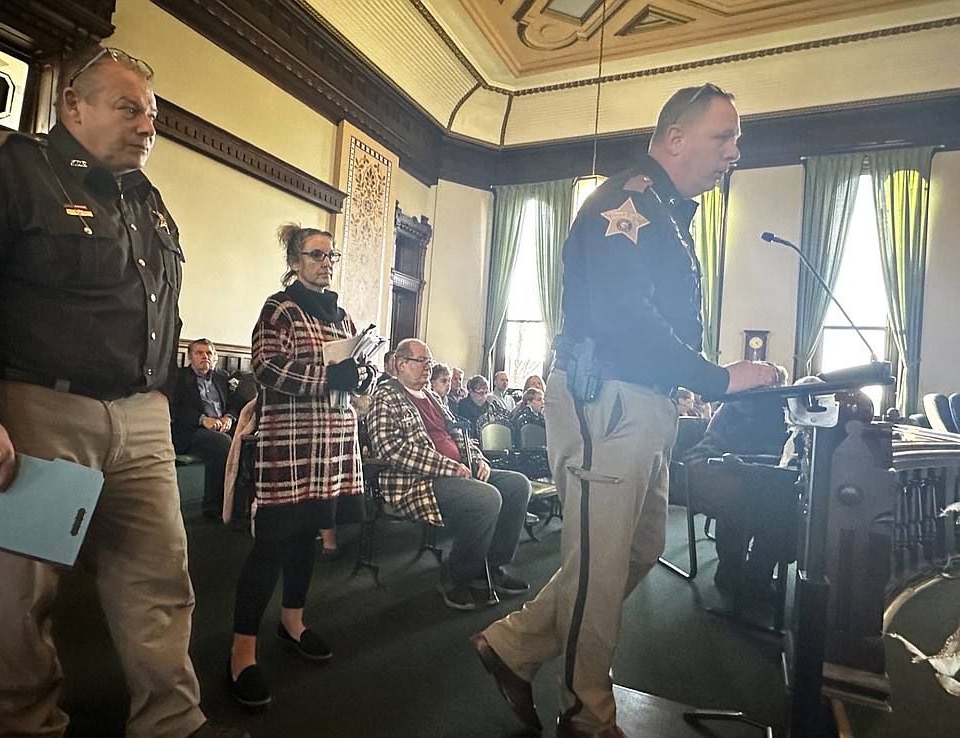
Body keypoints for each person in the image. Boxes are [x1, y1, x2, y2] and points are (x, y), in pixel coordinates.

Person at [0, 46, 244, 738]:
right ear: (73, 106)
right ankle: (26, 727)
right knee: (18, 604)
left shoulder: (147, 202)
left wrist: (161, 410)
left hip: (139, 420)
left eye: (153, 113)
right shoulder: (2, 169)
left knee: (160, 587)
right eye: (128, 107)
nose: (148, 124)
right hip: (30, 415)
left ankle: (172, 724)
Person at [471, 83, 777, 738]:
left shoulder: (665, 210)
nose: (735, 151)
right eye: (724, 136)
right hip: (604, 398)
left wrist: (693, 381)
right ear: (674, 138)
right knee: (602, 564)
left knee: (638, 549)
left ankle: (515, 645)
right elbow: (625, 319)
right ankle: (586, 714)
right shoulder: (627, 200)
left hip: (641, 402)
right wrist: (717, 377)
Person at [228, 223, 374, 711]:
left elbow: (349, 373)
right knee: (271, 543)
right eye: (316, 254)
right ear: (294, 261)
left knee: (309, 534)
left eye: (331, 255)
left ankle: (293, 622)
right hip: (289, 445)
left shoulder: (341, 313)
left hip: (331, 442)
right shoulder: (280, 308)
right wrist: (329, 374)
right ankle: (241, 652)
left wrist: (359, 372)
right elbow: (266, 369)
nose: (325, 262)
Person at [363, 339, 532, 610]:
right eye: (422, 361)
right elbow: (391, 449)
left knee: (517, 485)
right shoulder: (386, 396)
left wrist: (477, 459)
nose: (428, 368)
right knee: (486, 499)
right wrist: (448, 467)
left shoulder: (432, 397)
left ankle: (490, 565)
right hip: (417, 482)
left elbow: (458, 433)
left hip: (458, 472)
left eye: (430, 362)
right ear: (401, 363)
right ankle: (456, 576)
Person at [681, 365, 792, 594]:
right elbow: (737, 450)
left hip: (736, 466)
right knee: (749, 497)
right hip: (705, 465)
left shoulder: (769, 404)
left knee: (773, 497)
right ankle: (738, 571)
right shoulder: (748, 403)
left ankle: (752, 571)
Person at [170, 338, 235, 521]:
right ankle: (214, 507)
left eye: (209, 353)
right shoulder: (178, 377)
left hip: (222, 427)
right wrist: (202, 420)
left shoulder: (223, 378)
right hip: (190, 430)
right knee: (220, 443)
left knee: (246, 439)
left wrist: (228, 418)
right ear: (190, 357)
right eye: (199, 353)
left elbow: (235, 403)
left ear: (215, 357)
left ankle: (241, 504)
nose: (204, 356)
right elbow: (172, 408)